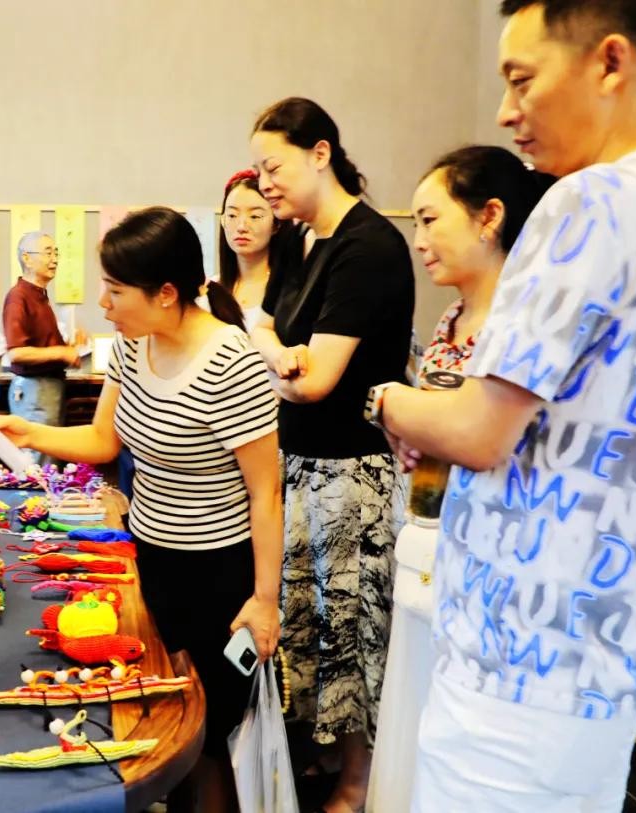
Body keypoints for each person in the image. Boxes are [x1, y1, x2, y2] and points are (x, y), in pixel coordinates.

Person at [375, 2, 636, 809]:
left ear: (609, 62)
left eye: (522, 80)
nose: (505, 112)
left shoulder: (587, 201)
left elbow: (479, 429)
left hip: (517, 660)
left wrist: (390, 401)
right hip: (600, 657)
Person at [0, 207, 282, 812]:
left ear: (166, 293)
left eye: (116, 290)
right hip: (149, 558)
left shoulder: (233, 362)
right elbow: (104, 441)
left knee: (211, 732)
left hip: (217, 572)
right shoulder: (130, 345)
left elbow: (266, 492)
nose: (103, 303)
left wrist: (264, 599)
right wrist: (28, 432)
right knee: (160, 711)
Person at [365, 145, 552, 813]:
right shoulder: (450, 318)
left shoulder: (520, 324)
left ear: (488, 217)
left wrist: (394, 405)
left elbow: (476, 435)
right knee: (412, 714)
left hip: (490, 556)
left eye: (429, 220)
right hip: (424, 532)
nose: (418, 240)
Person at [248, 97, 414, 813]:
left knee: (353, 635)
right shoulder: (301, 241)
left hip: (354, 477)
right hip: (302, 464)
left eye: (273, 167)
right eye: (258, 171)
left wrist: (273, 351)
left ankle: (360, 781)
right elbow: (271, 341)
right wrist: (275, 353)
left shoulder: (367, 245)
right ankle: (327, 757)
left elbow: (312, 382)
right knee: (310, 630)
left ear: (321, 153)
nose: (264, 185)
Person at [2, 231, 83, 453]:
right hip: (35, 391)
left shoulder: (39, 296)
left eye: (56, 253)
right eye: (48, 253)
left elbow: (42, 347)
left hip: (46, 389)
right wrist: (61, 352)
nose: (55, 259)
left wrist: (69, 348)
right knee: (38, 461)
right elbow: (16, 353)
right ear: (26, 258)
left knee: (47, 461)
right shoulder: (19, 296)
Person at [217, 169, 277, 331]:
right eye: (232, 215)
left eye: (255, 216)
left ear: (276, 224)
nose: (242, 226)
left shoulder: (286, 289)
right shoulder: (209, 290)